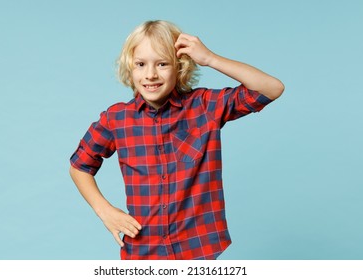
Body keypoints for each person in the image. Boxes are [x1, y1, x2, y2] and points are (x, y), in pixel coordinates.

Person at [69, 20, 284, 260]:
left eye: (162, 64)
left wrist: (210, 59)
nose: (150, 74)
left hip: (197, 249)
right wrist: (105, 211)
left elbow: (271, 89)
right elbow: (80, 166)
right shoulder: (116, 119)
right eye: (140, 64)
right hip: (143, 252)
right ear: (130, 68)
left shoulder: (204, 107)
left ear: (179, 66)